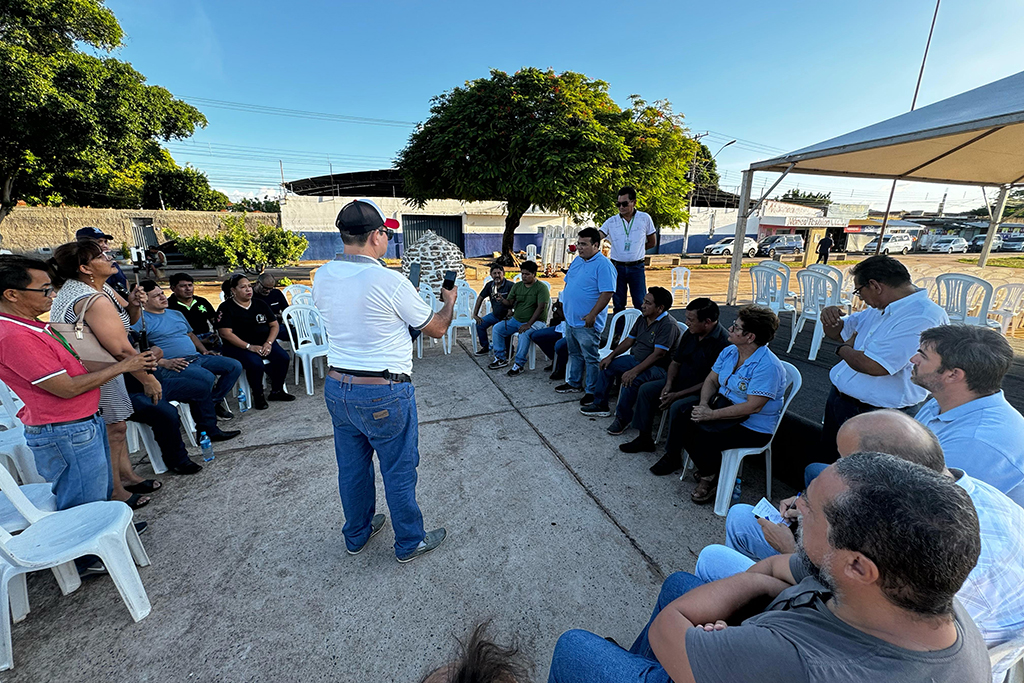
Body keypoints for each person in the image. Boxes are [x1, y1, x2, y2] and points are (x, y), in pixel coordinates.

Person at [548, 453, 990, 683]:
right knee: (683, 582)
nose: (793, 509)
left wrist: (741, 626)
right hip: (754, 650)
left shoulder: (800, 662)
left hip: (755, 657)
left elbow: (671, 626)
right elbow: (780, 567)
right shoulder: (921, 600)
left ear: (858, 565)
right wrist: (752, 610)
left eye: (810, 511)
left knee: (574, 646)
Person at [695, 410, 1024, 683]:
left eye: (847, 462)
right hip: (853, 592)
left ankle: (731, 620)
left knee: (708, 566)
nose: (836, 467)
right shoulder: (950, 496)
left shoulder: (945, 561)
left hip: (864, 629)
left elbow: (865, 612)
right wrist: (810, 508)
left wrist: (791, 550)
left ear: (883, 475)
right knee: (742, 519)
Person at [313, 198, 455, 563]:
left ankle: (357, 533)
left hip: (338, 387)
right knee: (398, 468)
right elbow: (437, 329)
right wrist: (448, 301)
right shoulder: (388, 280)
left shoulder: (322, 275)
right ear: (376, 235)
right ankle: (410, 541)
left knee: (352, 467)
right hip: (383, 392)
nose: (388, 241)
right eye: (386, 234)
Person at [0, 256, 158, 510]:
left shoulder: (31, 325)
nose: (51, 295)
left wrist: (131, 363)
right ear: (12, 294)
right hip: (66, 430)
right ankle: (95, 547)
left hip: (80, 423)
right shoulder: (14, 336)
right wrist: (125, 365)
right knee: (85, 506)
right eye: (44, 290)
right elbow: (67, 388)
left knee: (98, 493)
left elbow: (75, 363)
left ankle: (111, 535)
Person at [50, 240, 161, 509]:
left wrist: (134, 304)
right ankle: (115, 491)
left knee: (117, 426)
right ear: (85, 267)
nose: (109, 256)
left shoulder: (97, 288)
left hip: (103, 367)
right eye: (101, 255)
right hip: (100, 368)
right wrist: (148, 379)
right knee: (113, 428)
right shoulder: (93, 298)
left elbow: (128, 320)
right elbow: (121, 348)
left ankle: (127, 475)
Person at [818, 254, 948, 461]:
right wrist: (830, 319)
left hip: (877, 412)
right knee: (829, 461)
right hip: (844, 400)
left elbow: (875, 366)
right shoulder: (882, 307)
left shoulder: (921, 316)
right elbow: (840, 331)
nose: (861, 299)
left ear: (875, 285)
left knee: (858, 476)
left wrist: (842, 349)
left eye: (859, 292)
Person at [654, 307, 786, 503]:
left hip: (752, 426)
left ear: (750, 337)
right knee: (682, 417)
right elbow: (711, 381)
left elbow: (753, 407)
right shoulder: (731, 351)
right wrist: (704, 405)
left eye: (736, 327)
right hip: (722, 408)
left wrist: (710, 415)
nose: (730, 329)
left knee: (701, 434)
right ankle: (711, 470)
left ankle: (710, 477)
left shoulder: (768, 366)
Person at [911, 324, 1024, 506]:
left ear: (953, 375)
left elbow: (932, 507)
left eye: (923, 356)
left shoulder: (976, 441)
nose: (913, 359)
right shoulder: (941, 403)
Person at [133, 280, 242, 440]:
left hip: (197, 357)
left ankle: (212, 402)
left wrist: (204, 351)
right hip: (173, 364)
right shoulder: (140, 321)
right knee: (207, 377)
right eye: (157, 296)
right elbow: (137, 350)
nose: (163, 298)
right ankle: (208, 426)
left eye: (162, 293)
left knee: (234, 366)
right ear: (144, 300)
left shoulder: (175, 313)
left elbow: (190, 335)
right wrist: (163, 362)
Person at [620, 298, 729, 454]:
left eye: (691, 320)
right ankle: (644, 439)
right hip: (679, 381)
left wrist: (676, 395)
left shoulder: (723, 343)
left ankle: (672, 454)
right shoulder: (691, 334)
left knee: (678, 406)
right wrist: (669, 384)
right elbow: (675, 362)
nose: (687, 323)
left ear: (707, 322)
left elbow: (712, 382)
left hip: (702, 390)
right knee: (646, 390)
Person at [581, 287, 680, 436]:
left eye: (648, 303)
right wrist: (611, 356)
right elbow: (629, 341)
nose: (643, 305)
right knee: (608, 366)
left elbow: (658, 355)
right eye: (644, 301)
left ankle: (623, 419)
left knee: (630, 379)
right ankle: (600, 404)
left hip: (658, 367)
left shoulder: (668, 325)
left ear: (660, 308)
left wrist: (634, 371)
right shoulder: (643, 317)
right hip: (636, 359)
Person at [554, 228, 617, 406]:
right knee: (574, 353)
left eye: (584, 244)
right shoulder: (578, 261)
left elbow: (607, 293)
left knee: (590, 357)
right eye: (579, 243)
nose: (579, 248)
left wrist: (593, 314)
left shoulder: (604, 265)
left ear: (596, 245)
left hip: (587, 322)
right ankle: (574, 383)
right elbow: (568, 284)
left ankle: (592, 391)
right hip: (571, 320)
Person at [215, 274, 294, 410]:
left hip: (263, 342)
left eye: (249, 286)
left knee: (283, 358)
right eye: (243, 287)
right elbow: (225, 333)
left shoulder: (259, 304)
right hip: (239, 346)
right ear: (233, 290)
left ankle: (277, 390)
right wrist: (248, 346)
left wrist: (268, 343)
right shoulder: (226, 308)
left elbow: (274, 325)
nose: (248, 290)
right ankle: (258, 395)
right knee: (255, 364)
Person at [598, 186, 656, 313]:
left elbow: (652, 242)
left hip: (637, 267)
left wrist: (639, 249)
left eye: (624, 204)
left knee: (640, 303)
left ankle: (640, 331)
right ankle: (618, 332)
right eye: (618, 204)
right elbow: (599, 236)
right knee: (618, 303)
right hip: (617, 267)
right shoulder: (611, 221)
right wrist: (587, 240)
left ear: (634, 202)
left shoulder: (644, 218)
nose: (621, 207)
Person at [487, 261, 550, 375]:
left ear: (534, 274)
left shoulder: (541, 288)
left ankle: (519, 364)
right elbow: (510, 302)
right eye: (522, 274)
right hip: (516, 320)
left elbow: (541, 308)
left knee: (524, 333)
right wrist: (501, 299)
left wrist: (529, 324)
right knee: (497, 328)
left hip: (536, 322)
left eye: (527, 274)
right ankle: (501, 358)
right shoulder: (517, 286)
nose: (524, 276)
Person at [473, 263, 515, 357]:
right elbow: (480, 298)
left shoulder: (510, 285)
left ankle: (509, 350)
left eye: (499, 273)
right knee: (480, 324)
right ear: (491, 274)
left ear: (503, 273)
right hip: (495, 315)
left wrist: (512, 310)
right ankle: (485, 347)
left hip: (507, 317)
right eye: (494, 273)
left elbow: (517, 301)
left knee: (504, 329)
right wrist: (475, 314)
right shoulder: (489, 285)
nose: (497, 275)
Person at [167, 272, 220, 346]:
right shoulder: (168, 305)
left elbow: (214, 320)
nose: (188, 289)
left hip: (207, 336)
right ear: (173, 288)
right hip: (183, 340)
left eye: (190, 285)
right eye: (183, 286)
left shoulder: (201, 301)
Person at [75, 227, 129, 297]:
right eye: (99, 242)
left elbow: (124, 281)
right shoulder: (85, 268)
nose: (105, 246)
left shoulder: (111, 263)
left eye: (105, 242)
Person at [528, 300, 569, 381]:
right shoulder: (566, 291)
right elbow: (556, 308)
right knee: (536, 336)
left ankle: (562, 367)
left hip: (574, 330)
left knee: (559, 345)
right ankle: (556, 359)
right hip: (561, 327)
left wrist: (561, 310)